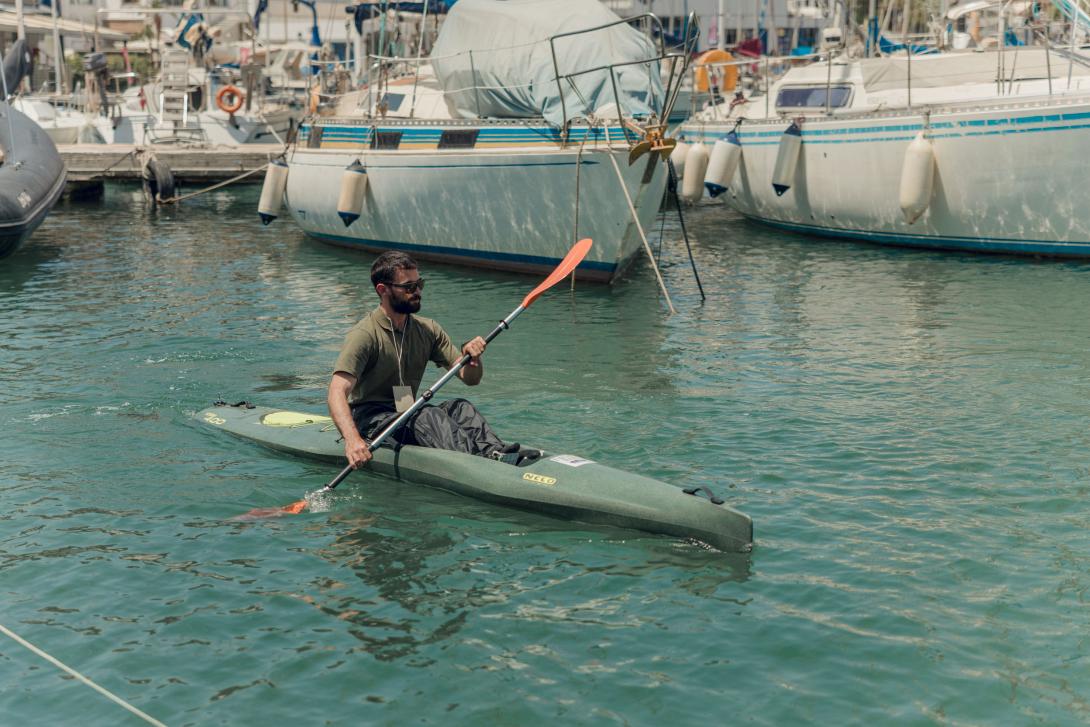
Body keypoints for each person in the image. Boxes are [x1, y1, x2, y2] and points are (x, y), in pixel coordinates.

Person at [327, 250, 521, 469]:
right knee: (426, 415)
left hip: (407, 411)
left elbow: (470, 379)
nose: (417, 291)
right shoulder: (365, 335)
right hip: (372, 420)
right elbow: (336, 392)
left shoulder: (428, 329)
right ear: (383, 290)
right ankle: (476, 464)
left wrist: (473, 359)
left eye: (420, 284)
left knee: (459, 407)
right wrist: (353, 441)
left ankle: (492, 452)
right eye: (409, 287)